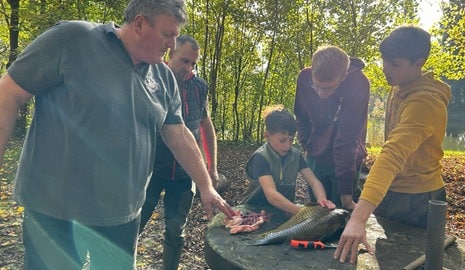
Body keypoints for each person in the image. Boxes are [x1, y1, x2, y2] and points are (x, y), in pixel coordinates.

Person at [0, 0, 235, 269]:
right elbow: (8, 92)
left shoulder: (164, 78)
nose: (172, 44)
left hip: (121, 214)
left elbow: (179, 135)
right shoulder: (72, 39)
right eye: (167, 34)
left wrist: (205, 185)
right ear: (139, 24)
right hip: (56, 211)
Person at [334, 25, 451, 264]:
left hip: (417, 198)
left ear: (418, 63)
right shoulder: (399, 86)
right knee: (385, 258)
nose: (386, 69)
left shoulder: (425, 102)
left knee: (408, 261)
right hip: (391, 190)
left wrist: (358, 217)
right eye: (384, 61)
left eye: (394, 64)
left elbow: (393, 153)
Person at [139, 34, 218, 270]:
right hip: (151, 169)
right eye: (184, 61)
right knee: (134, 224)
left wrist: (211, 166)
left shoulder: (199, 86)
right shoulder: (149, 79)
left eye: (193, 63)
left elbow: (205, 124)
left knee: (176, 229)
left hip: (185, 173)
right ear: (170, 53)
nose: (189, 68)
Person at [294, 45, 370, 210]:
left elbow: (347, 139)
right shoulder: (304, 77)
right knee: (317, 212)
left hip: (347, 159)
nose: (321, 93)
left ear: (344, 76)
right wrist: (307, 143)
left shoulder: (358, 83)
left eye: (329, 88)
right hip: (316, 155)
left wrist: (346, 197)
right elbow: (301, 115)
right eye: (317, 86)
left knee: (341, 214)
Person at [241, 105, 336, 216]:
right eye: (282, 140)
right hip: (254, 211)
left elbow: (314, 182)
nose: (287, 145)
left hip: (283, 211)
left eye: (291, 140)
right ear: (267, 135)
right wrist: (300, 212)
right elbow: (271, 195)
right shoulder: (261, 157)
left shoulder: (295, 155)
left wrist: (322, 199)